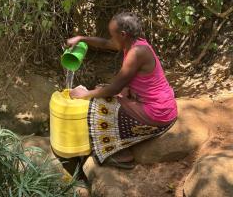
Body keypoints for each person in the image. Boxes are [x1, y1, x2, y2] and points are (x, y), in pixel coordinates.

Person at [67, 12, 177, 169]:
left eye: (113, 34)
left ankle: (118, 154)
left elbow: (114, 89)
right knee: (101, 92)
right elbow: (105, 43)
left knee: (97, 105)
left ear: (123, 34)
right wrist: (81, 38)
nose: (111, 38)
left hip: (158, 112)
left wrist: (84, 95)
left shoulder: (136, 53)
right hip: (161, 105)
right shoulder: (133, 43)